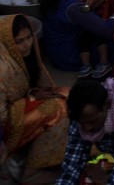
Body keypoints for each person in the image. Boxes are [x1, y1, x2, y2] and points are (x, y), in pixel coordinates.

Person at [0, 15, 70, 176]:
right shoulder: (3, 68)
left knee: (67, 93)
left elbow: (30, 87)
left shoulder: (21, 56)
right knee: (57, 107)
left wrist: (33, 94)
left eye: (29, 37)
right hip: (5, 128)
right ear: (7, 42)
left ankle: (53, 151)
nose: (27, 45)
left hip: (19, 107)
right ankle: (33, 168)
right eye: (19, 41)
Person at [38, 0, 114, 76]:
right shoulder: (73, 6)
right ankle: (96, 65)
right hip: (69, 54)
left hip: (58, 49)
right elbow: (107, 31)